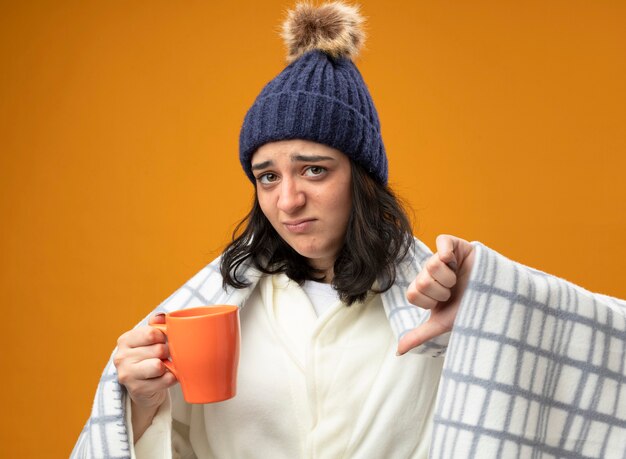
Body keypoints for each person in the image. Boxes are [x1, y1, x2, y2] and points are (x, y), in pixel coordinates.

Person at [72, 3, 626, 458]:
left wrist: (494, 301)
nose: (287, 200)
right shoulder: (214, 315)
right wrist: (139, 406)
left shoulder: (435, 304)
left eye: (314, 169)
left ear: (362, 178)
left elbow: (583, 368)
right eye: (268, 176)